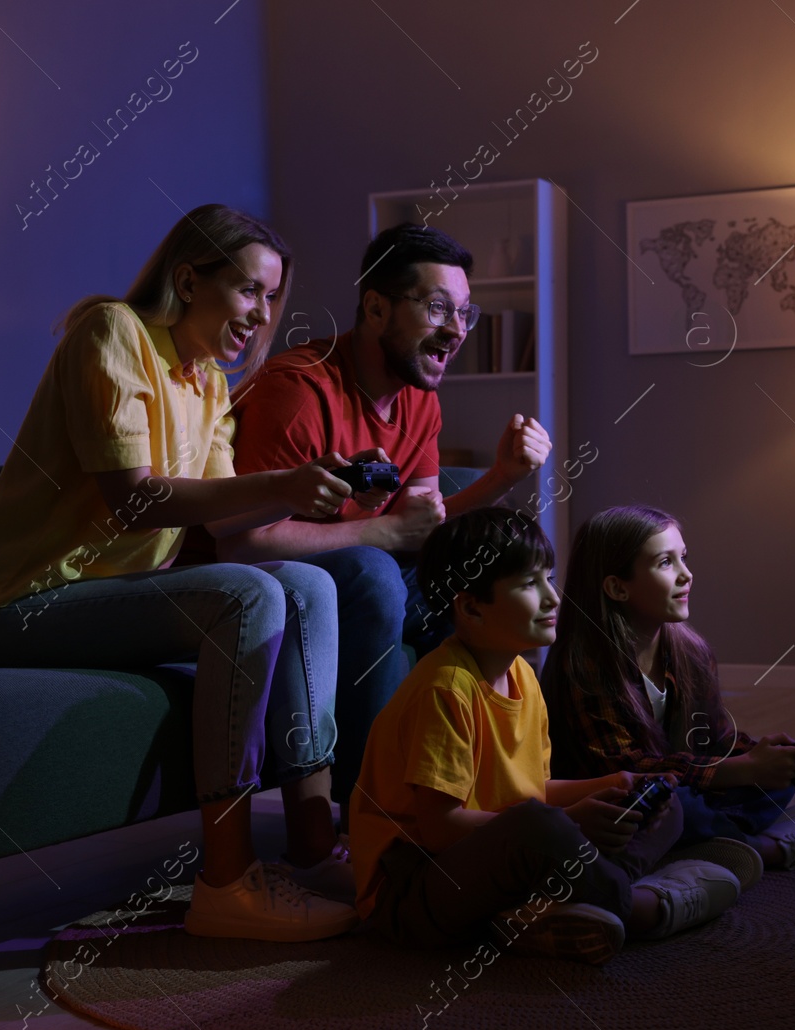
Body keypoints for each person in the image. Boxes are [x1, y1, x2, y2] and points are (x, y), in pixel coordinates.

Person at [0, 205, 378, 941]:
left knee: (310, 585)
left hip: (105, 600)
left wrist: (323, 487)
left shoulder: (208, 384)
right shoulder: (110, 332)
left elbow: (222, 524)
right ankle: (225, 881)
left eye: (272, 297)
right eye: (247, 290)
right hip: (22, 606)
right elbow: (136, 498)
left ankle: (311, 844)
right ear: (188, 278)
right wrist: (281, 483)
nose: (261, 312)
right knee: (247, 596)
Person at [215, 223, 552, 814]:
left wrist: (502, 478)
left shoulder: (420, 397)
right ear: (375, 307)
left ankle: (494, 787)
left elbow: (426, 525)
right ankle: (371, 809)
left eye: (466, 313)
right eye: (438, 307)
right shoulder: (297, 391)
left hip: (373, 578)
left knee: (499, 578)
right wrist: (380, 533)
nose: (456, 329)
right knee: (373, 572)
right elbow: (242, 543)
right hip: (263, 588)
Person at [349, 508, 757, 967]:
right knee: (540, 826)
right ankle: (641, 906)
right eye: (528, 584)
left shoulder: (522, 675)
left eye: (549, 577)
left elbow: (530, 789)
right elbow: (440, 829)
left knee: (665, 795)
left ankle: (555, 908)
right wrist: (571, 824)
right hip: (412, 889)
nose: (552, 597)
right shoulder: (445, 689)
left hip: (493, 862)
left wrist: (611, 786)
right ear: (471, 607)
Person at [542, 505, 795, 874]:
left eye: (684, 558)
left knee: (774, 779)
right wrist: (744, 770)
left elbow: (716, 739)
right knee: (676, 804)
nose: (686, 575)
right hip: (622, 800)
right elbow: (628, 769)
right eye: (665, 563)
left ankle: (713, 841)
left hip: (680, 784)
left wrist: (777, 759)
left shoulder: (690, 651)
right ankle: (760, 846)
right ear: (616, 587)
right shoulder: (583, 665)